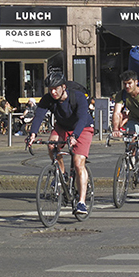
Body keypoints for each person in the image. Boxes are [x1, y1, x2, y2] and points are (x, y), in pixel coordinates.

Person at [27, 72, 95, 214]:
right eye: (50, 89)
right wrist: (32, 134)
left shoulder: (78, 97)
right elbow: (39, 114)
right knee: (51, 145)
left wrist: (75, 135)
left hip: (83, 128)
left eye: (56, 88)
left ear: (63, 87)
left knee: (78, 162)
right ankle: (62, 174)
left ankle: (81, 202)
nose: (53, 92)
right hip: (63, 126)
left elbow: (82, 118)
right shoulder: (49, 99)